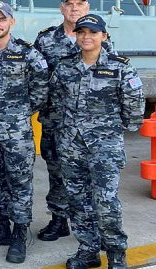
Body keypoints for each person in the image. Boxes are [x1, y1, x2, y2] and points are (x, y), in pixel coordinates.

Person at [50, 15, 144, 269]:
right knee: (78, 200)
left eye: (92, 32)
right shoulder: (65, 67)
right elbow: (57, 102)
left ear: (103, 36)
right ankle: (88, 250)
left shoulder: (120, 66)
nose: (86, 37)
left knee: (106, 200)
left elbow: (134, 105)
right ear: (76, 35)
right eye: (81, 32)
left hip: (104, 147)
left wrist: (115, 131)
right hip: (71, 145)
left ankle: (115, 253)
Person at [0, 1, 49, 264]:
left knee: (20, 183)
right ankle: (1, 227)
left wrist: (21, 111)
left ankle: (19, 233)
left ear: (11, 22)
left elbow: (41, 88)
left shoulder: (28, 54)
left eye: (1, 20)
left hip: (17, 134)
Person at [33, 0, 101, 242]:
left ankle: (92, 223)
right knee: (57, 171)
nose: (74, 8)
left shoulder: (99, 37)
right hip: (55, 120)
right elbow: (37, 78)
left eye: (79, 4)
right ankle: (59, 220)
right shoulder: (46, 40)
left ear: (87, 8)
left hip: (88, 123)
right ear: (61, 8)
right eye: (69, 4)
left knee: (91, 173)